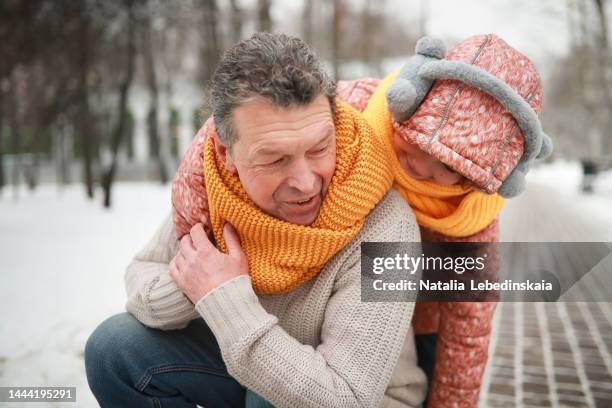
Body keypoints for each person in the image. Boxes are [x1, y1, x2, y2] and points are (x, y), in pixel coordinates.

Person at [170, 34, 552, 408]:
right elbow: (246, 121)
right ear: (408, 105)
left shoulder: (472, 224)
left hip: (416, 320)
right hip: (326, 296)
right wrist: (193, 230)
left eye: (443, 168)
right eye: (414, 146)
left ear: (472, 179)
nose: (418, 165)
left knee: (429, 375)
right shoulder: (359, 106)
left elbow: (468, 338)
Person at [84, 32, 427, 408]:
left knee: (273, 394)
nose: (305, 182)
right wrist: (197, 285)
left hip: (361, 397)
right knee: (113, 349)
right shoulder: (215, 185)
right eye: (275, 159)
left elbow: (346, 397)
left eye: (319, 148)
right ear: (225, 152)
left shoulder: (389, 225)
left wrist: (227, 300)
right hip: (246, 371)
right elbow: (144, 271)